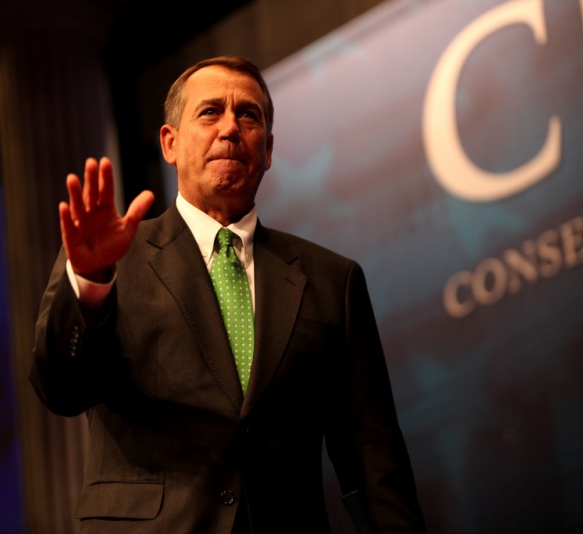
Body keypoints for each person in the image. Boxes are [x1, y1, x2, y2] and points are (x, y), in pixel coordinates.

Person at [30, 55, 426, 533]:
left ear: (270, 148)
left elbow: (372, 457)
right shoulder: (113, 257)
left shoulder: (331, 281)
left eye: (249, 115)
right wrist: (91, 281)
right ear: (169, 143)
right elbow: (60, 390)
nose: (231, 128)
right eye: (210, 112)